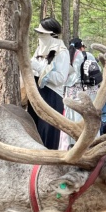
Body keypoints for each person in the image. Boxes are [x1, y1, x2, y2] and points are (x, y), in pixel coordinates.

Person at [28, 18, 70, 150]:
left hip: (51, 97)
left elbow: (60, 79)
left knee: (48, 135)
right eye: (39, 33)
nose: (39, 36)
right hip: (36, 94)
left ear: (52, 34)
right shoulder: (39, 49)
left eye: (42, 33)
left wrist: (39, 68)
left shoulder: (62, 52)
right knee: (34, 132)